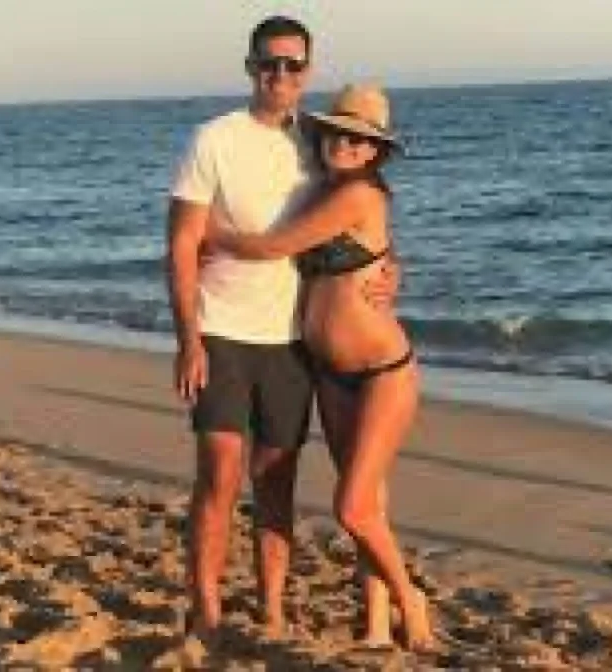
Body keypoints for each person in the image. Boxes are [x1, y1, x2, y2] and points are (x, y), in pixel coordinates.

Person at [204, 83, 435, 651]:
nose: (346, 145)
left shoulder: (358, 194)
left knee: (352, 507)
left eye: (361, 141)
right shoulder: (321, 191)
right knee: (370, 502)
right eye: (338, 134)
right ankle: (376, 624)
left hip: (381, 371)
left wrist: (202, 230)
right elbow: (368, 252)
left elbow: (272, 247)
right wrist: (393, 264)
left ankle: (410, 599)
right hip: (330, 373)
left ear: (375, 152)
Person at [165, 15, 318, 640]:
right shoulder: (214, 138)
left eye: (292, 64)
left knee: (277, 481)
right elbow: (181, 243)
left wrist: (386, 271)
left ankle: (272, 607)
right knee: (221, 472)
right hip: (221, 329)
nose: (280, 74)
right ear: (250, 67)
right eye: (268, 63)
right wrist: (188, 340)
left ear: (308, 71)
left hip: (294, 339)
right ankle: (206, 608)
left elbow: (360, 218)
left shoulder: (320, 143)